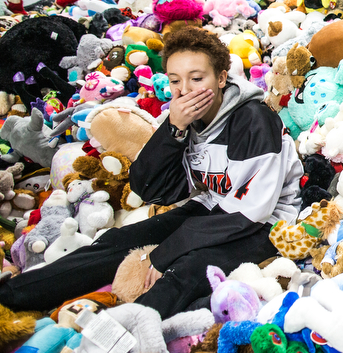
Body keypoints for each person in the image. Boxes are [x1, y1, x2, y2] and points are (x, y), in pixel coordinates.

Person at [0, 27, 300, 321]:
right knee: (120, 240)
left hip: (266, 222)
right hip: (215, 204)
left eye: (197, 78)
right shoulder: (187, 118)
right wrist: (173, 129)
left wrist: (167, 251)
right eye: (175, 81)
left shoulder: (252, 120)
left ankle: (112, 345)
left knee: (185, 269)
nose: (185, 90)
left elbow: (250, 210)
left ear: (221, 78)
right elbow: (151, 187)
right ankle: (12, 295)